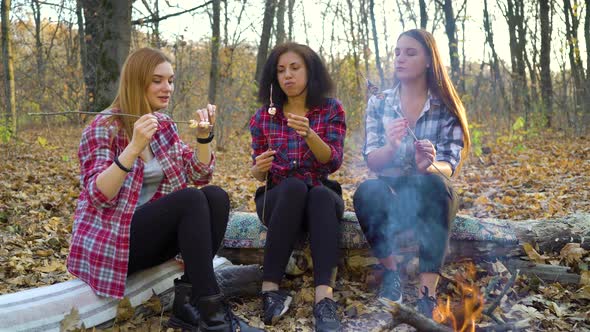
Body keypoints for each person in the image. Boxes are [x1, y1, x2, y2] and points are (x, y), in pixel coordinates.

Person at [67, 47, 261, 332]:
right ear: (136, 81)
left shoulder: (164, 124)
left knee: (215, 197)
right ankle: (213, 315)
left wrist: (204, 138)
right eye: (158, 80)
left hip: (151, 236)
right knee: (191, 200)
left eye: (170, 80)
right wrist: (133, 147)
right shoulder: (102, 127)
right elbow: (98, 195)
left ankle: (188, 304)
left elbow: (199, 174)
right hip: (113, 241)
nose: (167, 88)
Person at [353, 29, 471, 319]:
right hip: (393, 196)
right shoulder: (380, 102)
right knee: (367, 191)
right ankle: (391, 274)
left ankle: (426, 293)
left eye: (410, 52)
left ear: (429, 60)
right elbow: (373, 161)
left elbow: (449, 165)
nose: (400, 59)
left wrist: (429, 164)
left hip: (431, 196)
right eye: (397, 52)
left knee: (433, 184)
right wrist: (391, 146)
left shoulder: (445, 106)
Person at [249, 42, 346, 332]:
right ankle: (270, 291)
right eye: (280, 70)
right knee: (292, 187)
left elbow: (332, 162)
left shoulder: (330, 109)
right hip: (278, 200)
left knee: (316, 194)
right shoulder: (263, 116)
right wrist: (258, 168)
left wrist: (309, 134)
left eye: (294, 68)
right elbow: (257, 171)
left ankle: (324, 299)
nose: (287, 76)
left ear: (310, 71)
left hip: (320, 198)